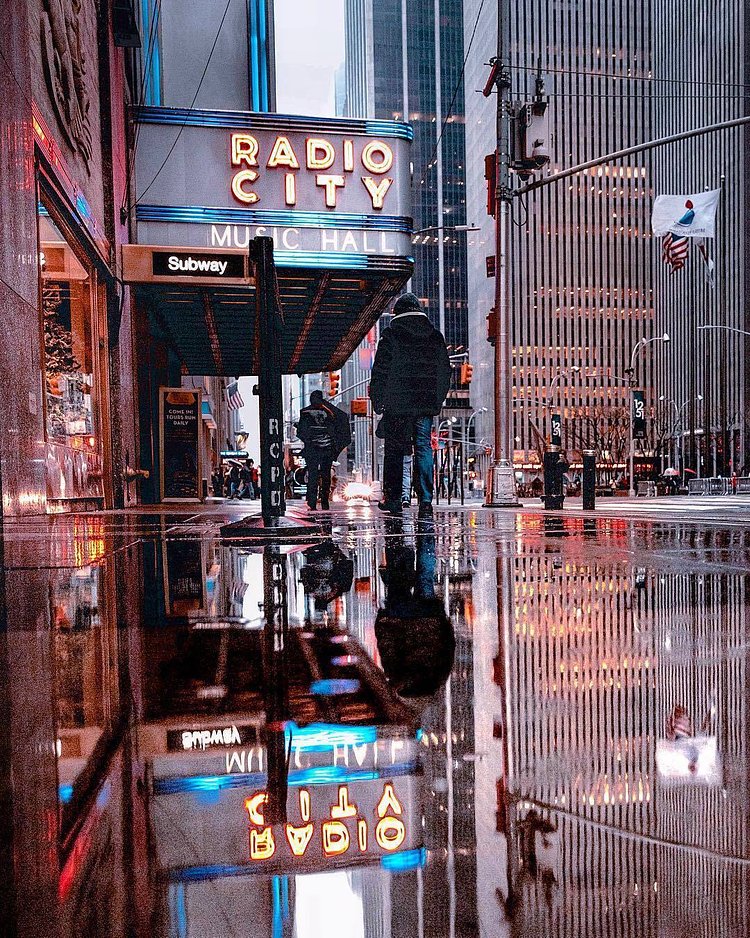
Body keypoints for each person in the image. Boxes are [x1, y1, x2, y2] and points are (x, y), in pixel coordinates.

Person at [370, 292, 451, 516]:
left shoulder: (391, 335)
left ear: (397, 312)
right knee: (423, 448)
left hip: (397, 404)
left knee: (395, 450)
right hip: (424, 404)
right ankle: (425, 498)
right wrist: (436, 400)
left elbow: (381, 371)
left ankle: (394, 498)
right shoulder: (435, 336)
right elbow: (445, 371)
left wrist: (378, 400)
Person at [295, 390, 350, 511]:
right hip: (327, 450)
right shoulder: (331, 411)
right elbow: (342, 422)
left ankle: (312, 502)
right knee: (326, 476)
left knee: (313, 475)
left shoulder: (304, 412)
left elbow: (300, 432)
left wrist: (308, 439)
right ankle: (325, 501)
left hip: (312, 450)